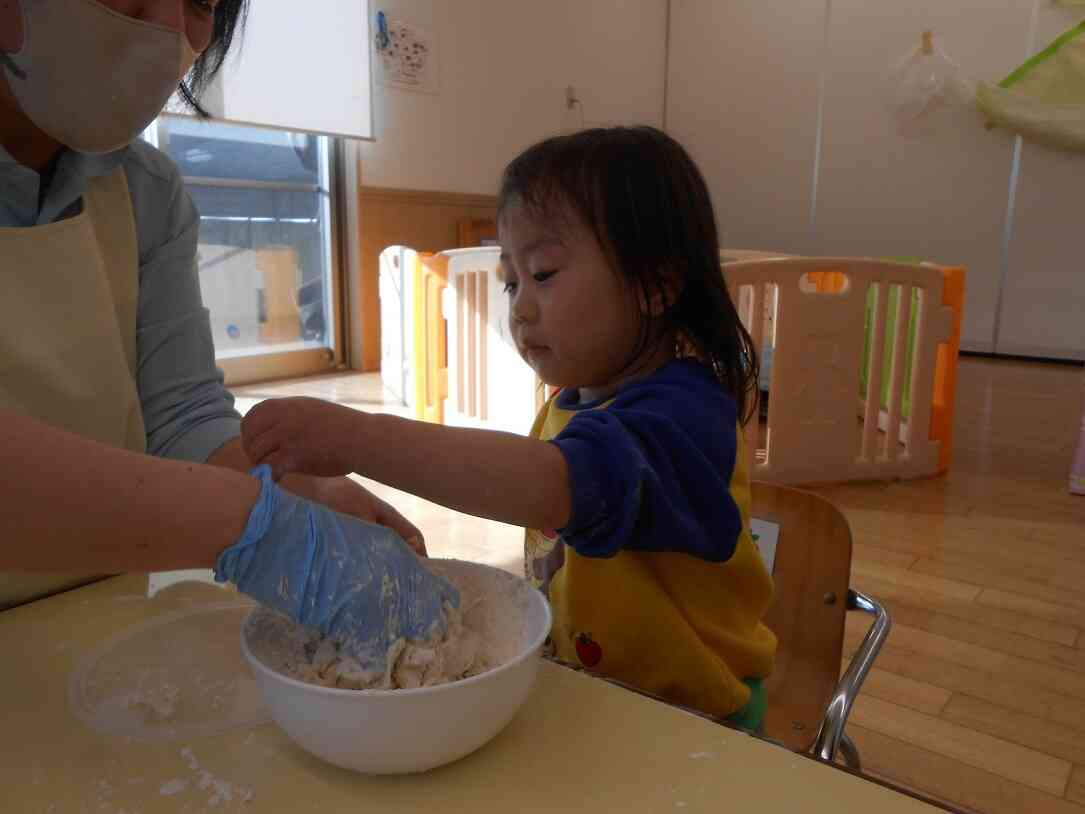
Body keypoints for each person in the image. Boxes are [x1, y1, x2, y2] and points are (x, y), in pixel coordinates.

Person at [241, 126, 779, 726]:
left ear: (655, 284)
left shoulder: (686, 416)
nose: (519, 307)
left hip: (696, 718)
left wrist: (359, 438)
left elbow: (552, 484)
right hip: (599, 696)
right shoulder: (568, 404)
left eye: (543, 273)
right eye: (510, 281)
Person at [0, 0, 456, 668]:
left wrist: (304, 495)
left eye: (199, 3)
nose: (165, 28)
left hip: (89, 616)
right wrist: (258, 527)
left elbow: (181, 418)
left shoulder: (145, 192)